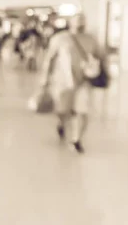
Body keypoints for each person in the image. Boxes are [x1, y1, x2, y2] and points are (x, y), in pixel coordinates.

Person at [40, 13, 103, 154]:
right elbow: (49, 59)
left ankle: (76, 140)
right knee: (62, 110)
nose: (81, 23)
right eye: (78, 20)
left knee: (83, 111)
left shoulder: (91, 39)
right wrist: (44, 78)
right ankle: (61, 122)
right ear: (71, 22)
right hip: (63, 82)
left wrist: (97, 72)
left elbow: (99, 57)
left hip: (83, 82)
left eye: (83, 20)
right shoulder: (60, 39)